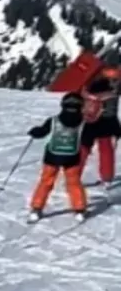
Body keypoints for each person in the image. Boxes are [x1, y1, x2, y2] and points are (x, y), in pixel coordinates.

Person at [27, 91, 90, 222]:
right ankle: (79, 209)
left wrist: (35, 132)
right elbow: (88, 138)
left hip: (52, 156)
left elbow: (42, 132)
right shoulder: (83, 123)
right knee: (73, 182)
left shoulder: (53, 121)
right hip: (72, 157)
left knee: (46, 181)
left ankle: (37, 207)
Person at [80, 64, 121, 186]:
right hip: (108, 122)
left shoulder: (87, 93)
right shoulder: (113, 94)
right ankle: (107, 176)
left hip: (90, 122)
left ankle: (73, 174)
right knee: (106, 150)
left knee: (83, 149)